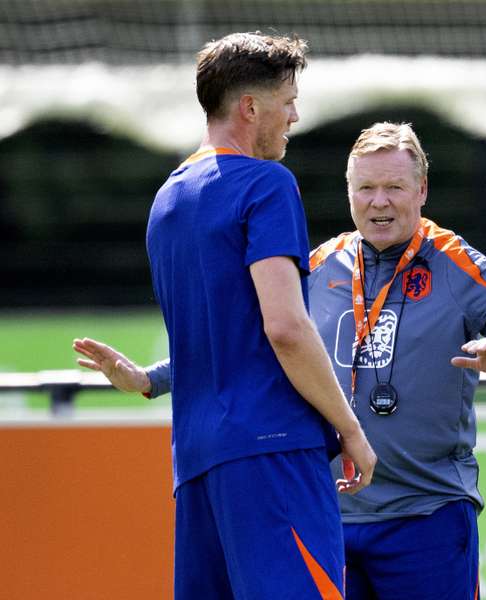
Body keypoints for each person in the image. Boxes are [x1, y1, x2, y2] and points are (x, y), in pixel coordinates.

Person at [76, 121, 486, 599]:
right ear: (348, 191)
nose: (379, 202)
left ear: (421, 191)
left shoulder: (456, 262)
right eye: (366, 188)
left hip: (429, 515)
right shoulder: (318, 265)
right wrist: (148, 379)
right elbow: (243, 345)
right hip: (328, 513)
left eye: (395, 187)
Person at [75, 31, 377, 600]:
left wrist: (146, 380)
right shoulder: (267, 184)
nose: (295, 115)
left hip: (195, 464)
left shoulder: (167, 201)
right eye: (287, 101)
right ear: (250, 106)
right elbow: (284, 327)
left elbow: (220, 333)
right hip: (273, 451)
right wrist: (351, 428)